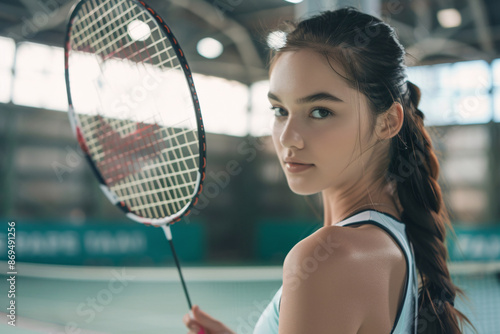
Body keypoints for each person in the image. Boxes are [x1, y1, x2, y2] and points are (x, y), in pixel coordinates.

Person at [183, 6, 475, 334]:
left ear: (388, 122)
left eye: (320, 112)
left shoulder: (331, 260)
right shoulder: (392, 240)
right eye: (280, 110)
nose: (288, 138)